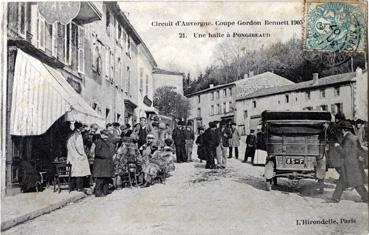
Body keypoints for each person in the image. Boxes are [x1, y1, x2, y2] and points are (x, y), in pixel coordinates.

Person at [330, 121, 368, 203]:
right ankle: (335, 198)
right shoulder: (354, 137)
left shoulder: (347, 138)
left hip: (348, 164)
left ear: (343, 130)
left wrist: (337, 146)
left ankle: (366, 197)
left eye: (341, 130)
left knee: (356, 183)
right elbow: (359, 150)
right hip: (354, 163)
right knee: (345, 181)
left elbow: (344, 152)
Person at [66, 122, 91, 192]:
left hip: (71, 155)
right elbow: (79, 147)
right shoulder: (78, 135)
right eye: (82, 127)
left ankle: (71, 187)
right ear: (79, 127)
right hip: (78, 156)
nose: (83, 128)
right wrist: (83, 154)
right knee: (79, 172)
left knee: (73, 172)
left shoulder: (70, 134)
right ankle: (79, 187)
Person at [93, 130, 116, 197]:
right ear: (102, 135)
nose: (106, 137)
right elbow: (97, 152)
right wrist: (105, 155)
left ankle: (105, 191)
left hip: (106, 163)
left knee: (106, 178)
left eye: (107, 135)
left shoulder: (107, 142)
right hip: (101, 164)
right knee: (100, 179)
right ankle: (98, 192)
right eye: (105, 135)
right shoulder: (99, 142)